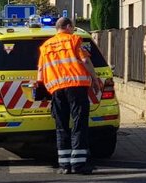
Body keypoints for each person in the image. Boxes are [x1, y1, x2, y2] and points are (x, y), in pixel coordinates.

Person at [37, 17, 101, 174]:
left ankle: (64, 165)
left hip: (57, 90)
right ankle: (79, 164)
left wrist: (42, 89)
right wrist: (94, 78)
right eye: (73, 27)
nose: (73, 29)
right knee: (79, 124)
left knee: (61, 126)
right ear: (68, 26)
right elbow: (85, 61)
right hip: (76, 87)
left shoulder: (45, 46)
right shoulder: (74, 40)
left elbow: (40, 72)